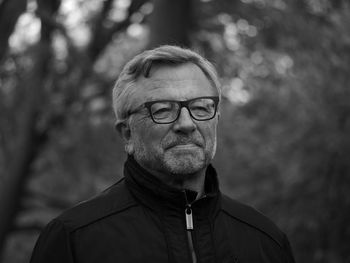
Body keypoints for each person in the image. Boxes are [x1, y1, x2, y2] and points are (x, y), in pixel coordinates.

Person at [30, 45, 295, 263]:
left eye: (201, 107)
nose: (186, 124)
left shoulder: (265, 241)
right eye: (162, 110)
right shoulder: (74, 239)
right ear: (127, 134)